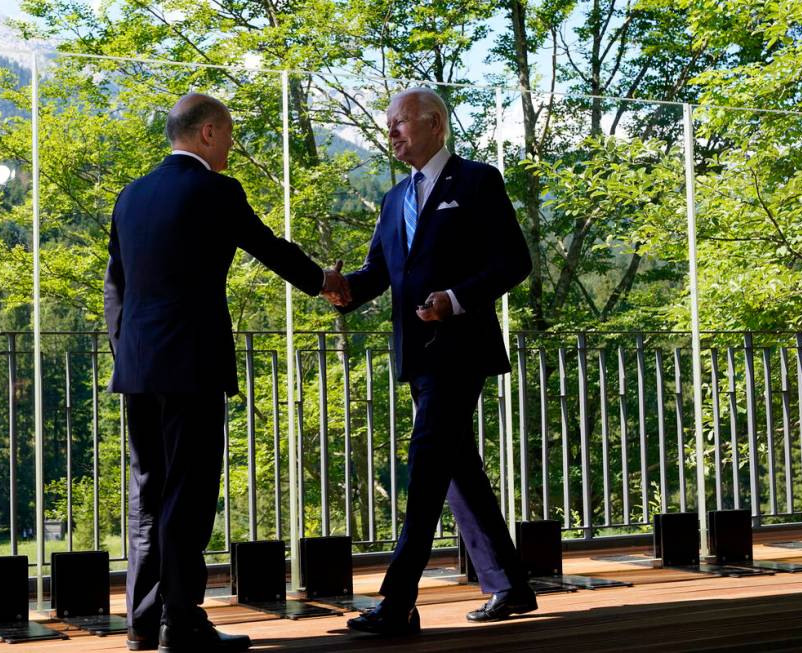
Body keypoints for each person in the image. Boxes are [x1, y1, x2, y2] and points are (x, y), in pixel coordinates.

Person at [104, 93, 350, 652]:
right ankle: (182, 622)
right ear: (208, 133)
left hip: (139, 369)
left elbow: (114, 287)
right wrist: (325, 282)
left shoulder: (131, 196)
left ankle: (143, 622)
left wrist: (127, 354)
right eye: (230, 133)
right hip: (191, 365)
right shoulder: (215, 190)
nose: (232, 145)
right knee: (188, 497)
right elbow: (269, 247)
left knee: (149, 493)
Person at [323, 87, 535, 636]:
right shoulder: (395, 198)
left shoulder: (478, 181)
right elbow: (378, 272)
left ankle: (398, 602)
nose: (390, 133)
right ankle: (510, 585)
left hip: (461, 352)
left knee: (424, 466)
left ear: (434, 124)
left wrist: (456, 299)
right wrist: (342, 289)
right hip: (417, 357)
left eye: (399, 123)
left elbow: (514, 261)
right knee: (457, 465)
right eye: (388, 125)